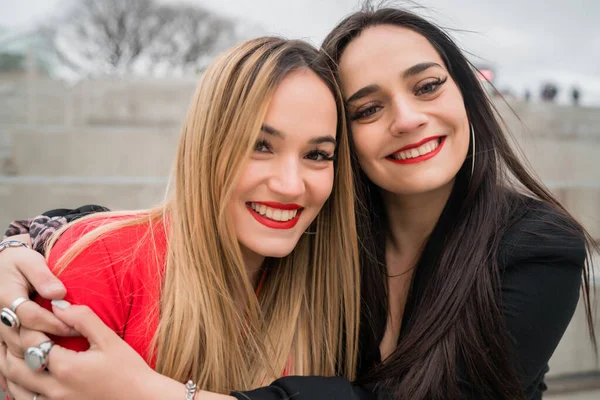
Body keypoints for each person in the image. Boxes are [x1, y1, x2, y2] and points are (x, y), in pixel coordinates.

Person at [0, 5, 596, 400]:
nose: (409, 119)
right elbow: (127, 238)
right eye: (367, 108)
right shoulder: (324, 238)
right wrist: (23, 242)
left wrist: (160, 395)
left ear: (466, 92)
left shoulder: (537, 248)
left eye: (427, 85)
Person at [0, 36, 362, 400]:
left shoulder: (335, 290)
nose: (290, 185)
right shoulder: (104, 260)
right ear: (206, 144)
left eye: (317, 154)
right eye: (260, 145)